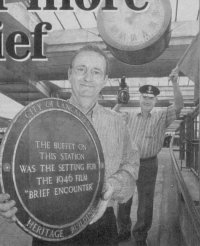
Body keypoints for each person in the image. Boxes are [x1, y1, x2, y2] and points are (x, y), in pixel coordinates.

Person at [0, 45, 139, 246]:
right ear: (70, 74)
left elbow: (131, 167)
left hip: (101, 225)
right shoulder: (40, 118)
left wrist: (111, 186)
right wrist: (8, 198)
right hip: (50, 227)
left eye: (96, 71)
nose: (88, 77)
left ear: (105, 80)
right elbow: (14, 168)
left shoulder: (118, 123)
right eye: (81, 69)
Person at [117, 68, 183, 246]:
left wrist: (175, 83)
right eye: (144, 97)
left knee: (146, 202)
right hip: (128, 164)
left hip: (148, 164)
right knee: (124, 198)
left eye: (150, 98)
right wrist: (118, 102)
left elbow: (178, 107)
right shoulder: (129, 116)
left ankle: (140, 236)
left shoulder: (162, 116)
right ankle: (122, 230)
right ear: (139, 99)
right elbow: (111, 119)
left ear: (155, 100)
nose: (147, 100)